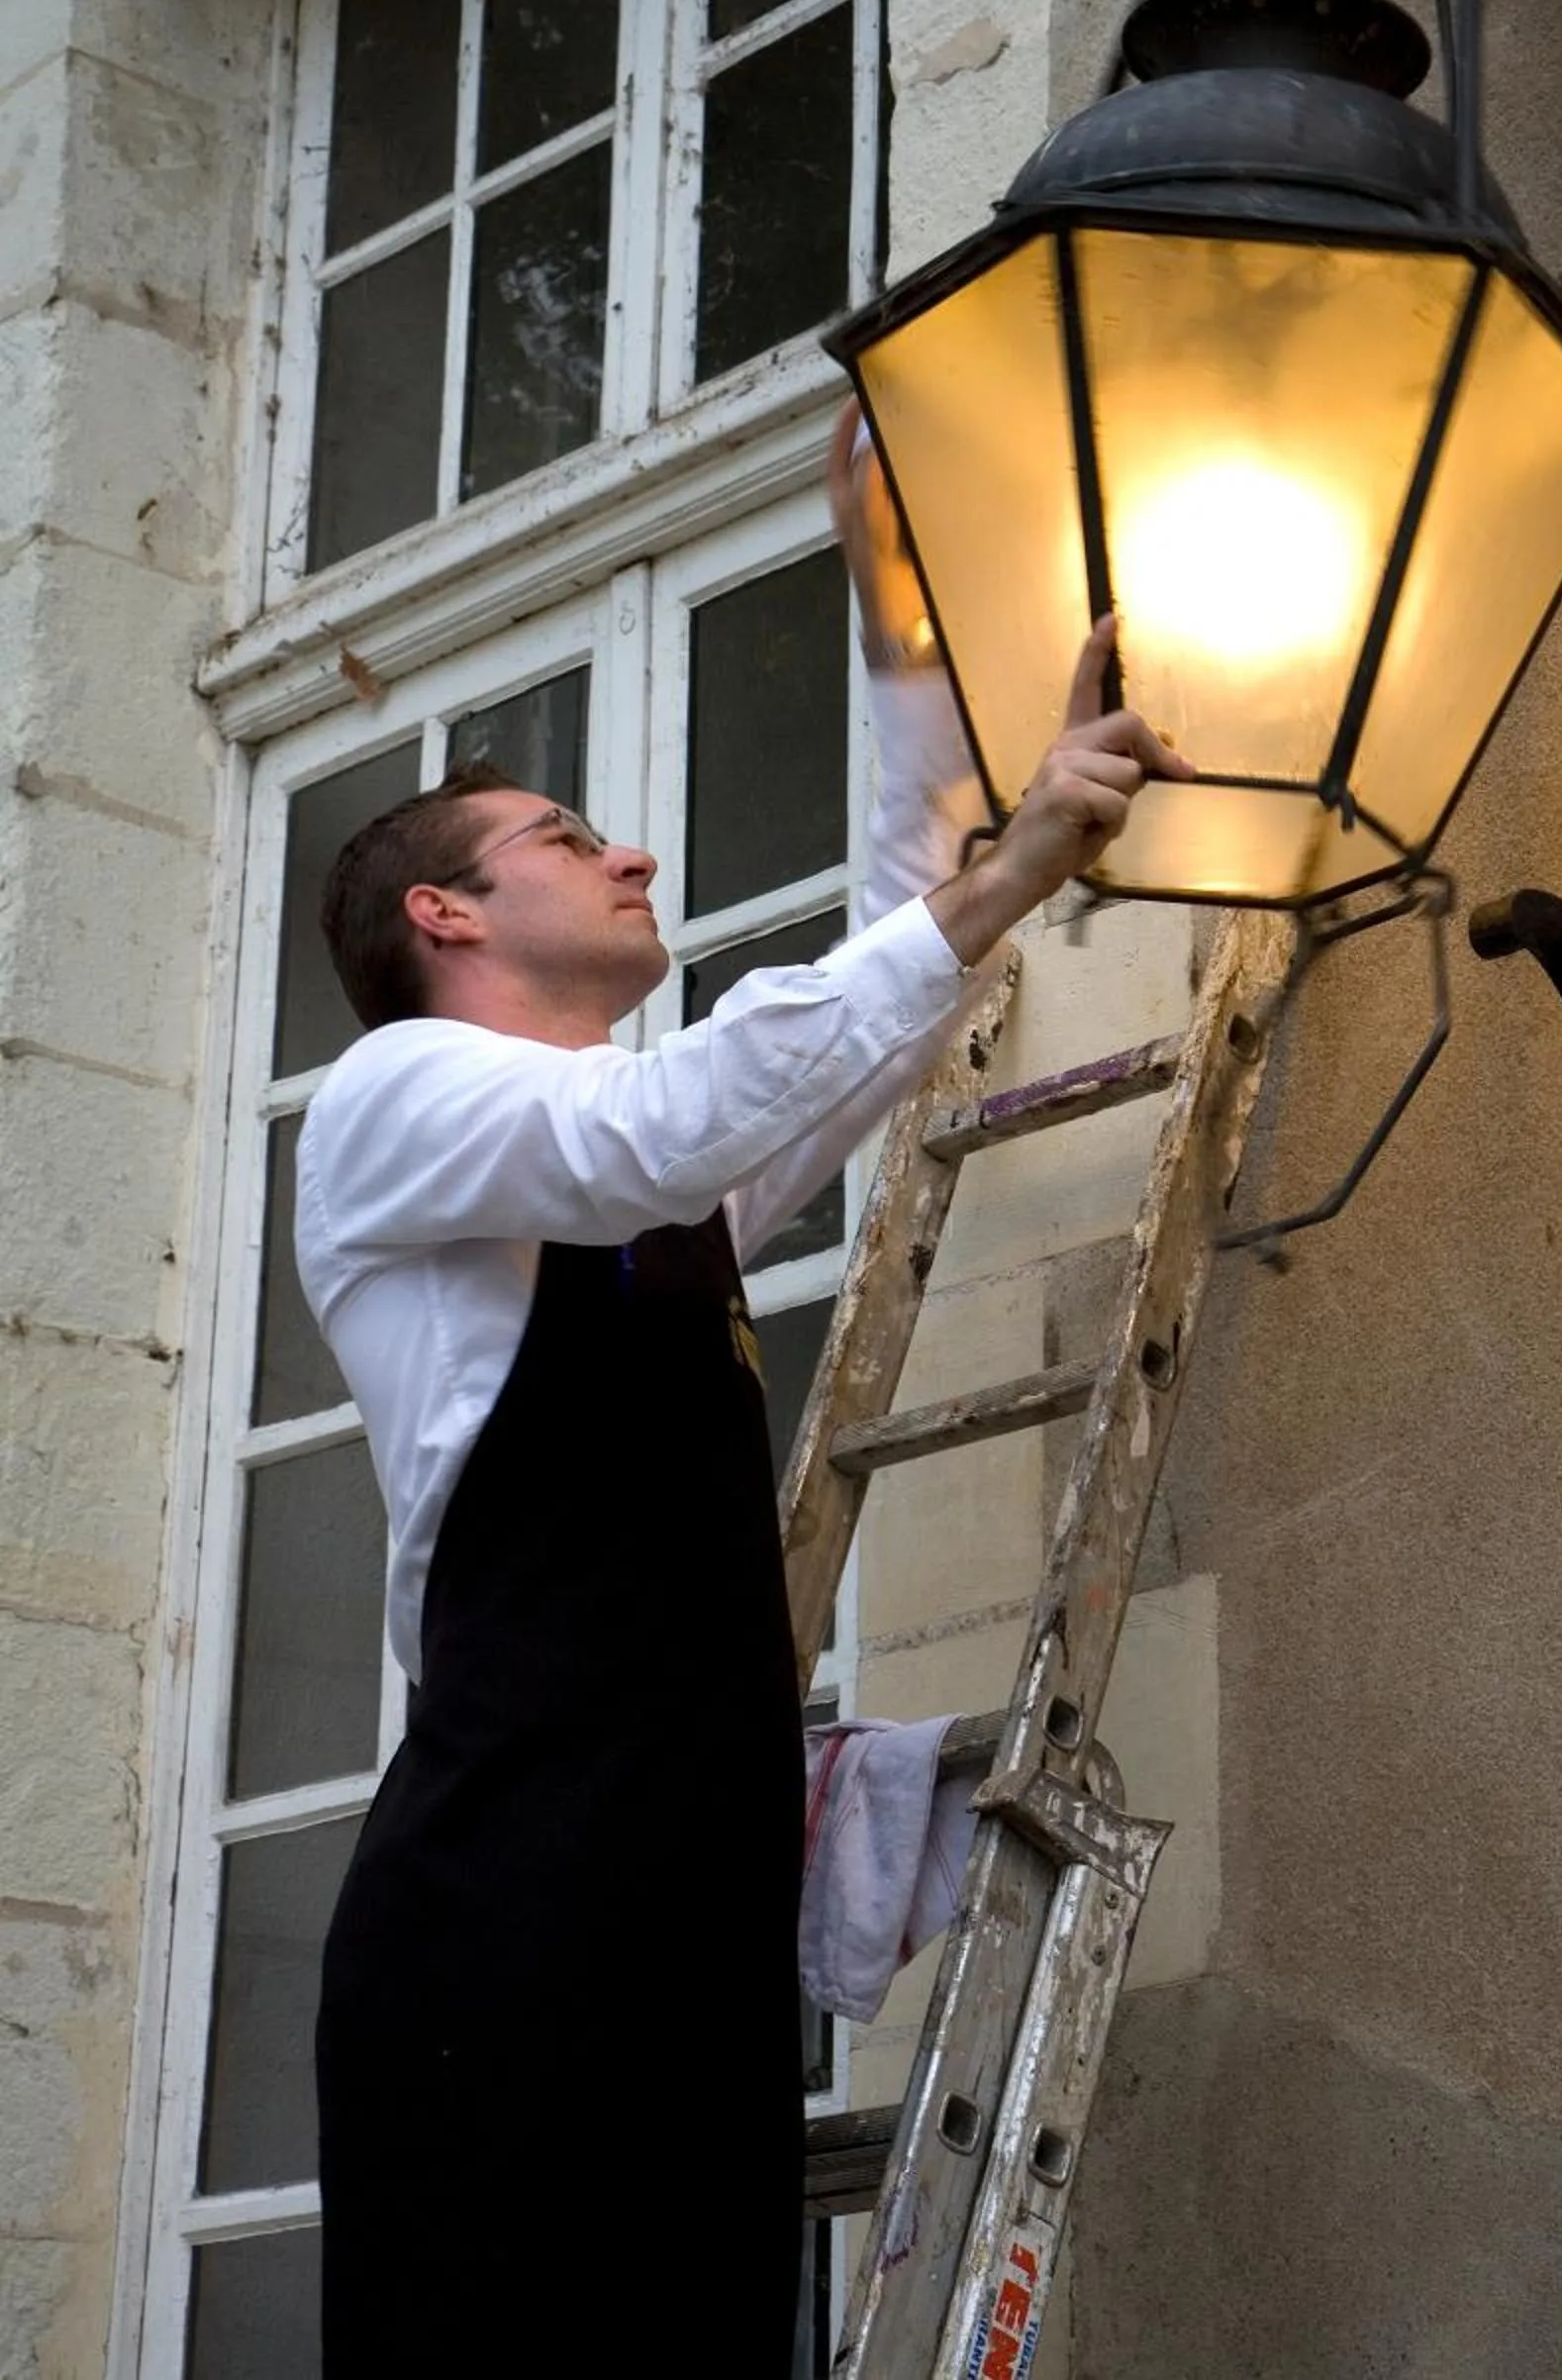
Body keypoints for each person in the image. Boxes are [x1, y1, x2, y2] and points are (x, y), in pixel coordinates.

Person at [296, 405, 1192, 2376]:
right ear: (446, 918)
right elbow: (678, 1115)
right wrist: (1030, 855)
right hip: (502, 1930)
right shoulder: (386, 1106)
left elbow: (879, 966)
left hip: (685, 1914)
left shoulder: (649, 1178)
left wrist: (893, 592)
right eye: (557, 840)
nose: (626, 852)